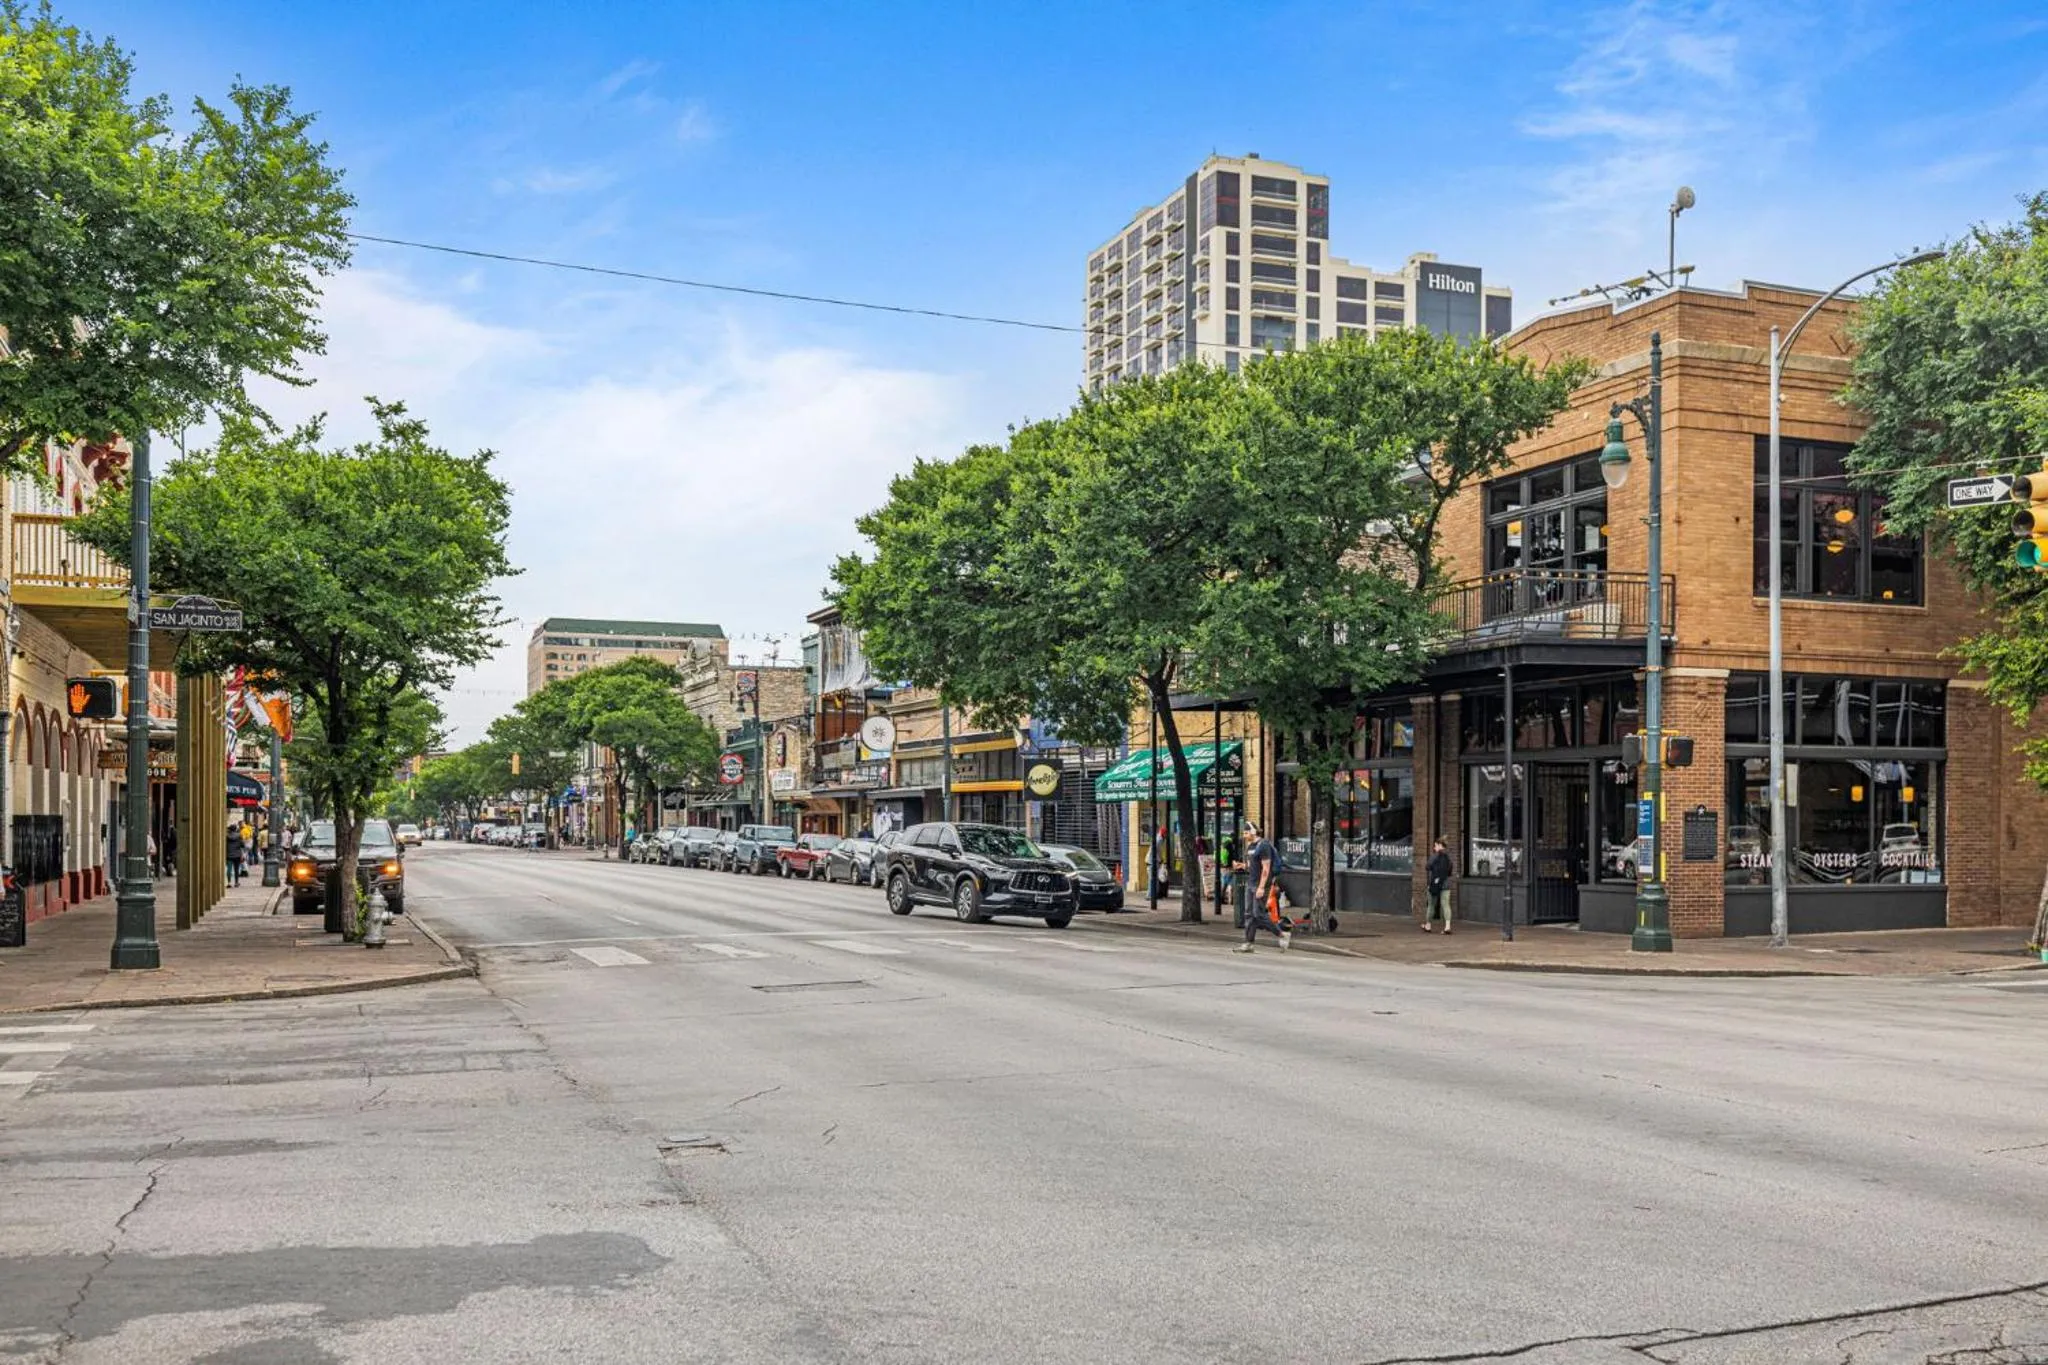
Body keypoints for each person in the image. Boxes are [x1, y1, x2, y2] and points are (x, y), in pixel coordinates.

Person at [1233, 822, 1289, 953]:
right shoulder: (1250, 846)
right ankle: (1248, 943)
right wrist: (1242, 865)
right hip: (1251, 883)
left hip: (1261, 884)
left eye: (1246, 833)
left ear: (1253, 832)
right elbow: (1252, 865)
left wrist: (1262, 887)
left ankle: (1282, 934)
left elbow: (1266, 868)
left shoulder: (1263, 845)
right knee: (1249, 914)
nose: (1244, 835)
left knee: (1258, 914)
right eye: (1243, 833)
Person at [1424, 837, 1454, 934]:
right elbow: (1450, 871)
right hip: (1445, 884)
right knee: (1446, 905)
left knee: (1431, 905)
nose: (1434, 848)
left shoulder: (1434, 856)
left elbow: (1427, 867)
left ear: (1440, 845)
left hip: (1434, 883)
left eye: (1435, 846)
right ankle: (1447, 926)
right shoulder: (1448, 857)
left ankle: (1428, 925)